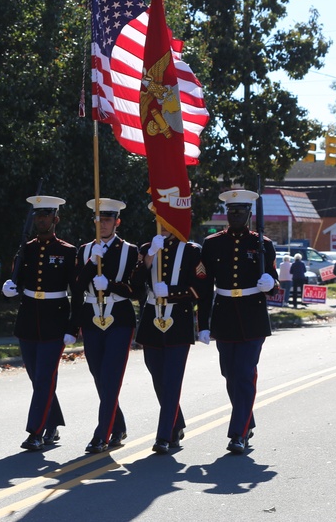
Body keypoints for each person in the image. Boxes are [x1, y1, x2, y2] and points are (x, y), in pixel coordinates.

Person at [200, 189, 277, 455]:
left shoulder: (262, 243)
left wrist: (270, 284)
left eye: (240, 212)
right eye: (231, 212)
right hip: (224, 315)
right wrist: (203, 323)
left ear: (249, 214)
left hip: (252, 315)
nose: (235, 216)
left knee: (244, 374)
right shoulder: (212, 244)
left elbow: (274, 282)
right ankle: (247, 418)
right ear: (226, 213)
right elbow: (205, 286)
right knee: (230, 375)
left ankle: (238, 434)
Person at [2, 195, 77, 452]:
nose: (41, 220)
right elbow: (19, 279)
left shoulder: (67, 251)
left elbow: (76, 293)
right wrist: (11, 287)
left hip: (55, 320)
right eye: (38, 216)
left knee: (45, 378)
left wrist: (72, 327)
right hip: (28, 319)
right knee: (37, 378)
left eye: (45, 216)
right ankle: (53, 422)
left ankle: (36, 432)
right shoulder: (27, 249)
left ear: (55, 219)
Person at [133, 226, 212, 454]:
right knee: (158, 376)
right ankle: (176, 424)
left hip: (179, 319)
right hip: (151, 319)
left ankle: (164, 435)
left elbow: (201, 289)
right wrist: (148, 258)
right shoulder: (148, 248)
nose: (164, 226)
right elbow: (136, 283)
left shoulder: (192, 251)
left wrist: (172, 291)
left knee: (172, 379)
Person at [71, 198, 140, 454]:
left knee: (111, 376)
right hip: (91, 316)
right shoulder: (85, 249)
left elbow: (135, 289)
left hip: (119, 316)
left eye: (107, 219)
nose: (102, 224)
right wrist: (91, 264)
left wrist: (110, 285)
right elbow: (77, 287)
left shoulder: (130, 250)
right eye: (98, 219)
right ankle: (118, 425)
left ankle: (102, 433)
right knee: (100, 376)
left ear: (117, 222)